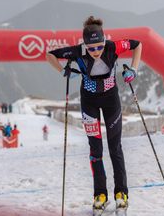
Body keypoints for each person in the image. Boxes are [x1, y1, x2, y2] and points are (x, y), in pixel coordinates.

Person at [46, 16, 142, 214]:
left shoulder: (113, 47)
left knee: (115, 146)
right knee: (95, 150)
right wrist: (63, 71)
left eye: (99, 46)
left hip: (111, 99)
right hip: (88, 101)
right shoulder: (77, 51)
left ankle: (121, 193)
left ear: (104, 41)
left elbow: (137, 44)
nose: (96, 52)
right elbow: (50, 55)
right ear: (85, 45)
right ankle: (100, 195)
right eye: (91, 48)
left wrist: (133, 69)